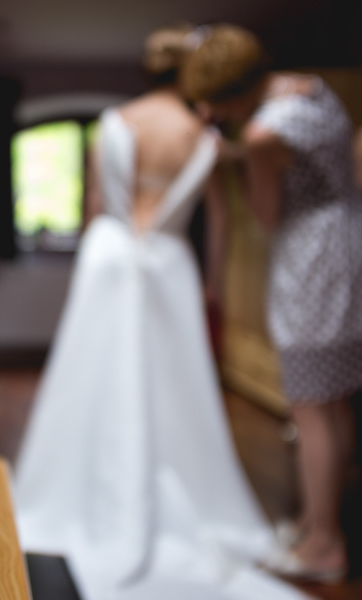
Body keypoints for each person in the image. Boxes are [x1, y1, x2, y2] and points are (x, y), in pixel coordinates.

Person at [13, 25, 309, 600]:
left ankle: (71, 492)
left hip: (109, 255)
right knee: (177, 383)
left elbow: (95, 203)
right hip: (171, 261)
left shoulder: (115, 123)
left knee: (90, 374)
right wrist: (212, 284)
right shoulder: (205, 136)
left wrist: (97, 253)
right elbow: (218, 219)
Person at [181, 24, 362, 583]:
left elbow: (263, 214)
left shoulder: (263, 134)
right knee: (333, 400)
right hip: (348, 242)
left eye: (214, 103)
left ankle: (323, 546)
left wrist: (238, 159)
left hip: (311, 262)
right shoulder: (308, 89)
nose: (209, 113)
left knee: (309, 408)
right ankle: (316, 522)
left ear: (233, 96)